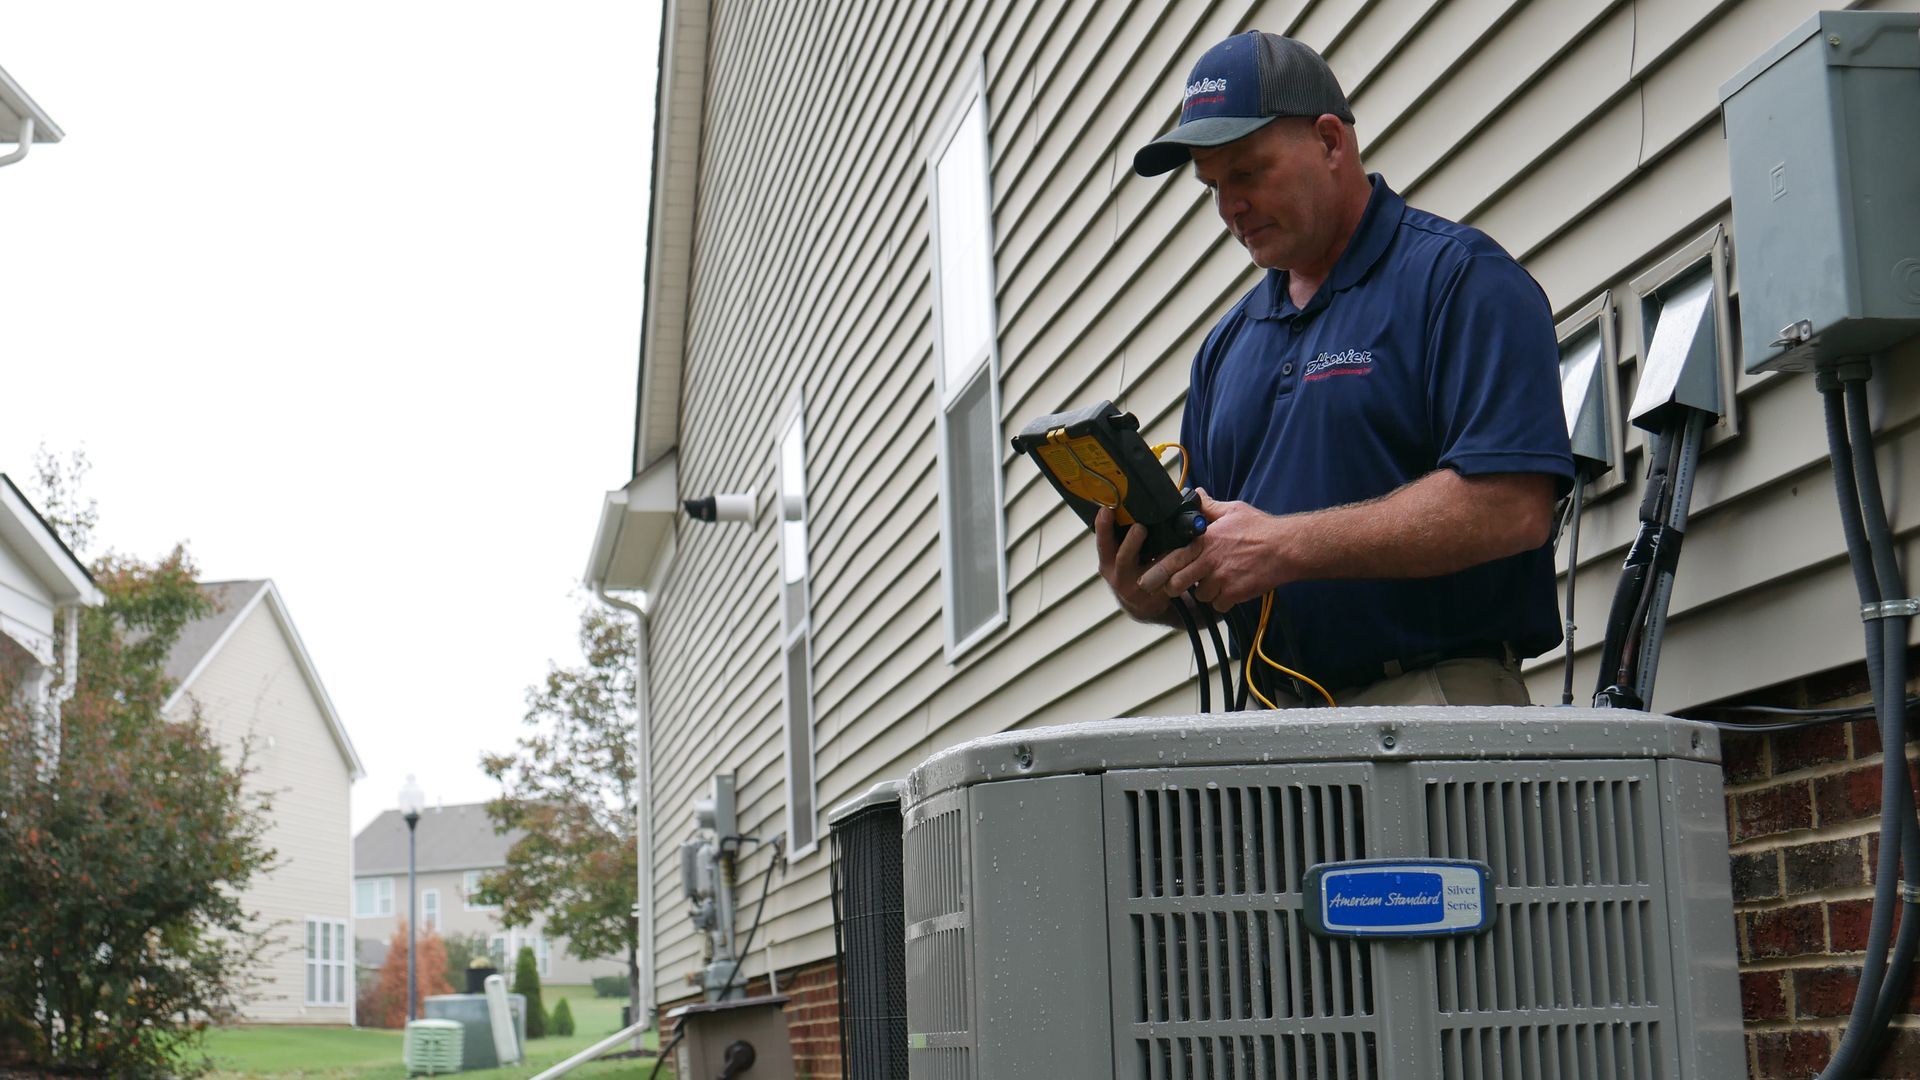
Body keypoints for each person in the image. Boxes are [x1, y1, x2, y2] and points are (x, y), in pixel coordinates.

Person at [1096, 30, 1574, 707]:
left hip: (1434, 697)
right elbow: (1227, 570)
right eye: (1212, 186)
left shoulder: (1457, 278)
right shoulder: (1225, 349)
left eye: (1247, 172)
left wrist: (1286, 545)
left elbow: (1511, 506)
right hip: (1273, 724)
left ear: (1329, 141)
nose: (1229, 208)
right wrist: (1151, 591)